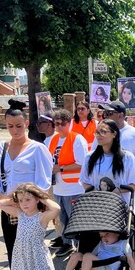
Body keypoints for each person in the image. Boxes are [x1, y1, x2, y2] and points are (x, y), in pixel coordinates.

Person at [0, 99, 53, 270]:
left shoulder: (37, 149)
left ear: (26, 124)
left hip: (31, 208)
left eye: (18, 125)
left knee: (32, 249)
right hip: (9, 209)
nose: (14, 130)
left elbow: (44, 181)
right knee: (14, 250)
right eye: (9, 126)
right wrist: (1, 198)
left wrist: (30, 200)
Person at [48, 109, 88, 257]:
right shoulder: (54, 139)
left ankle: (80, 246)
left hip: (73, 187)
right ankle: (67, 243)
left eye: (61, 124)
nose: (58, 127)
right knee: (63, 219)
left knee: (75, 220)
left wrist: (61, 168)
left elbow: (82, 163)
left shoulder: (77, 139)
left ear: (69, 123)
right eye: (55, 124)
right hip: (58, 187)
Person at [80, 119, 135, 202]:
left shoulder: (127, 158)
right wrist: (97, 194)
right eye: (97, 132)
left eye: (103, 132)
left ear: (114, 134)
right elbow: (84, 181)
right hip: (97, 208)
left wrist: (115, 192)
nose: (99, 135)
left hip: (122, 208)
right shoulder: (90, 157)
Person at [98, 101, 135, 179]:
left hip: (127, 188)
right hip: (104, 185)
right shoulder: (100, 134)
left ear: (120, 116)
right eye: (105, 113)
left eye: (109, 113)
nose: (105, 116)